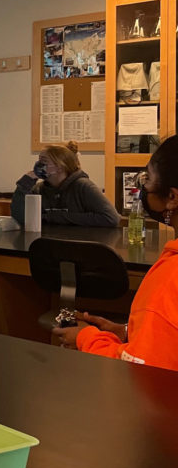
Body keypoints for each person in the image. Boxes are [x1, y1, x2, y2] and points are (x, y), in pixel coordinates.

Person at [53, 136, 178, 372]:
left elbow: (142, 371)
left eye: (148, 180)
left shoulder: (170, 279)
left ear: (172, 198)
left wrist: (85, 338)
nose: (144, 189)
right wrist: (128, 331)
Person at [10, 141, 120, 227]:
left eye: (43, 161)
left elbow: (111, 218)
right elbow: (21, 218)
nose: (39, 164)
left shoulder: (83, 186)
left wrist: (53, 217)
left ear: (59, 167)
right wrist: (23, 186)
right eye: (39, 160)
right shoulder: (39, 189)